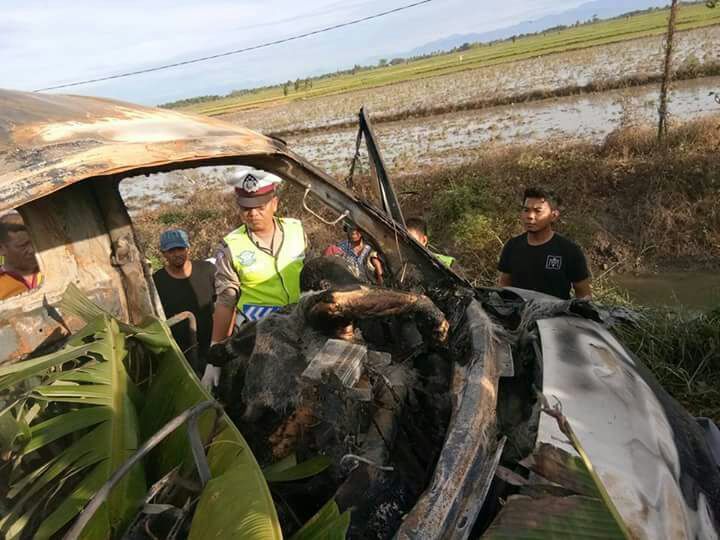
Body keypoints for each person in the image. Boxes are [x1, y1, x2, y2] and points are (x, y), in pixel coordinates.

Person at [203, 169, 307, 389]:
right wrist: (215, 356)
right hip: (257, 334)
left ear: (275, 203)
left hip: (300, 324)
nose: (253, 214)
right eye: (246, 208)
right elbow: (226, 300)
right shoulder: (231, 246)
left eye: (260, 206)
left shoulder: (297, 230)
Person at [497, 187, 591, 300]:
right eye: (526, 210)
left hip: (555, 316)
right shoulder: (513, 246)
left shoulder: (569, 250)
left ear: (554, 215)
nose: (530, 216)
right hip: (518, 315)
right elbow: (504, 285)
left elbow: (584, 295)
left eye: (538, 211)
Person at [152, 229, 216, 373]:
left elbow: (223, 303)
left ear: (188, 248)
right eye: (171, 250)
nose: (177, 254)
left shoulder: (207, 270)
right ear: (163, 253)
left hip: (211, 345)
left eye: (180, 248)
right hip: (181, 353)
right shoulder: (158, 280)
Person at [323, 220, 384, 285]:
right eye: (351, 229)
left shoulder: (369, 250)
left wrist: (380, 283)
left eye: (356, 230)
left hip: (364, 284)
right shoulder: (342, 246)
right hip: (344, 280)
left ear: (362, 232)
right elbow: (329, 255)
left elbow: (377, 266)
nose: (354, 232)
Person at [0, 212, 42, 301]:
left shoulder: (52, 266)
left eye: (33, 242)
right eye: (22, 245)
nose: (32, 249)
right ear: (1, 249)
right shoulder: (2, 283)